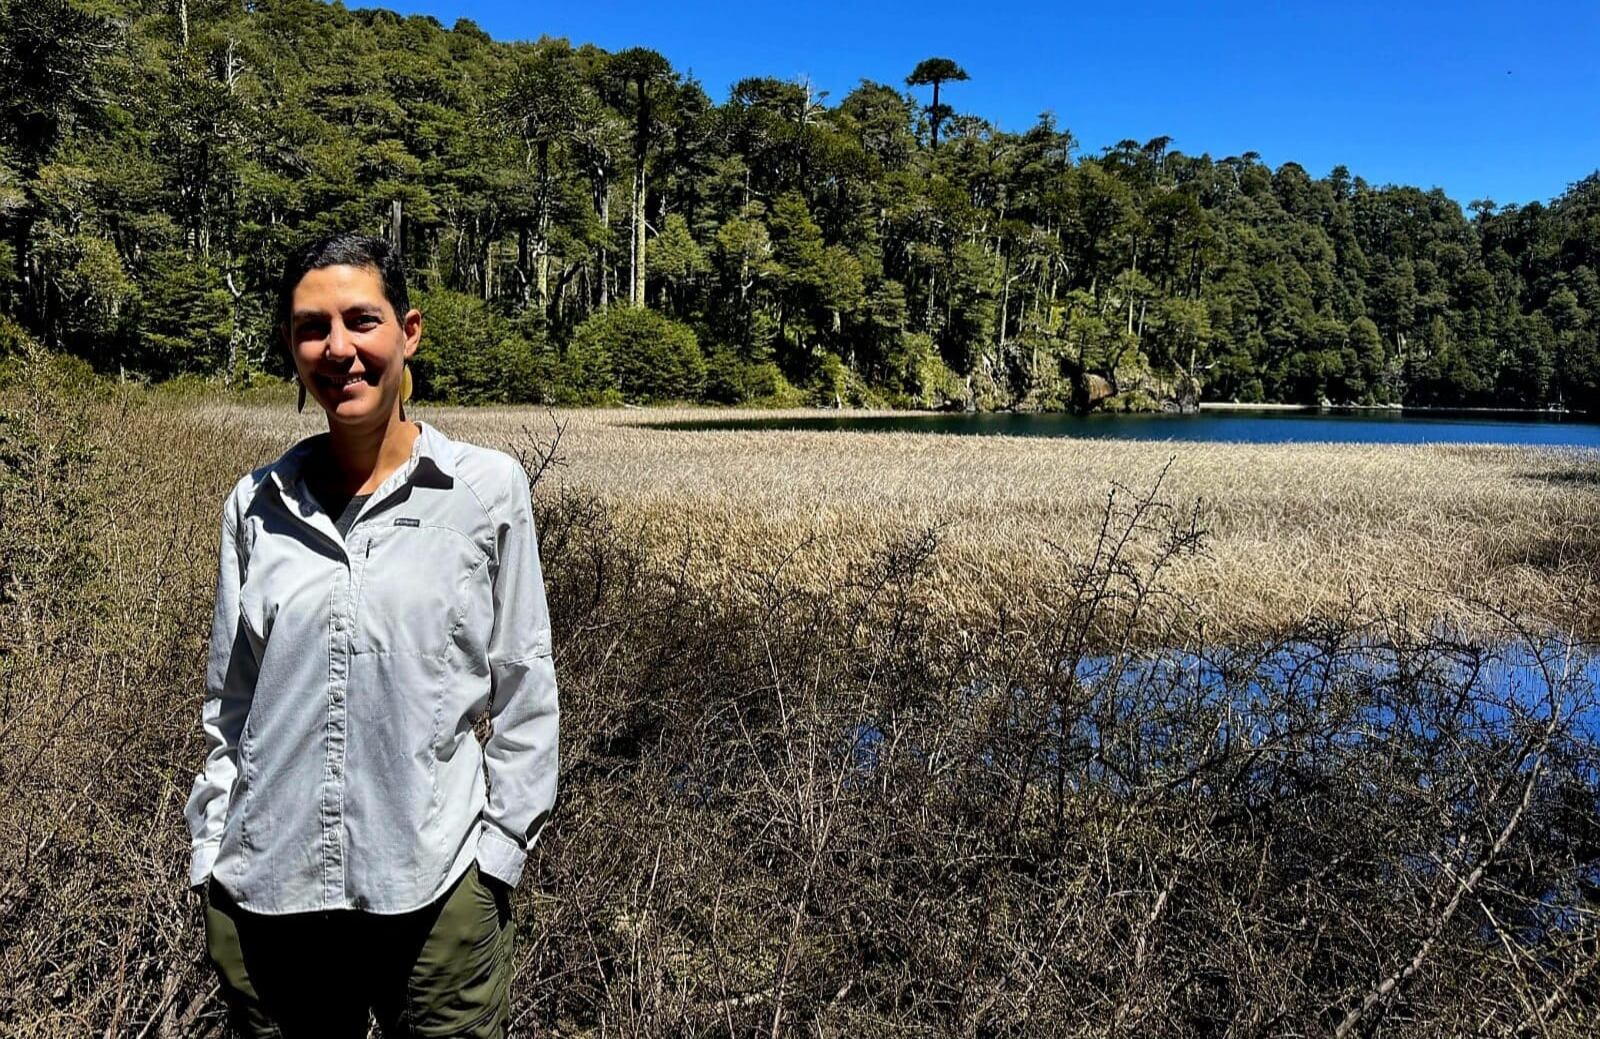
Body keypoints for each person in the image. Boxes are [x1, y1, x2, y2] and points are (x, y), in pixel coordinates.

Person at [182, 233, 560, 1037]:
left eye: (362, 320)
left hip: (437, 890)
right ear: (291, 347)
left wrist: (496, 864)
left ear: (409, 331)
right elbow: (231, 704)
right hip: (268, 895)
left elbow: (527, 689)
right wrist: (209, 854)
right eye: (312, 328)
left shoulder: (484, 492)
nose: (339, 349)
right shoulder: (253, 506)